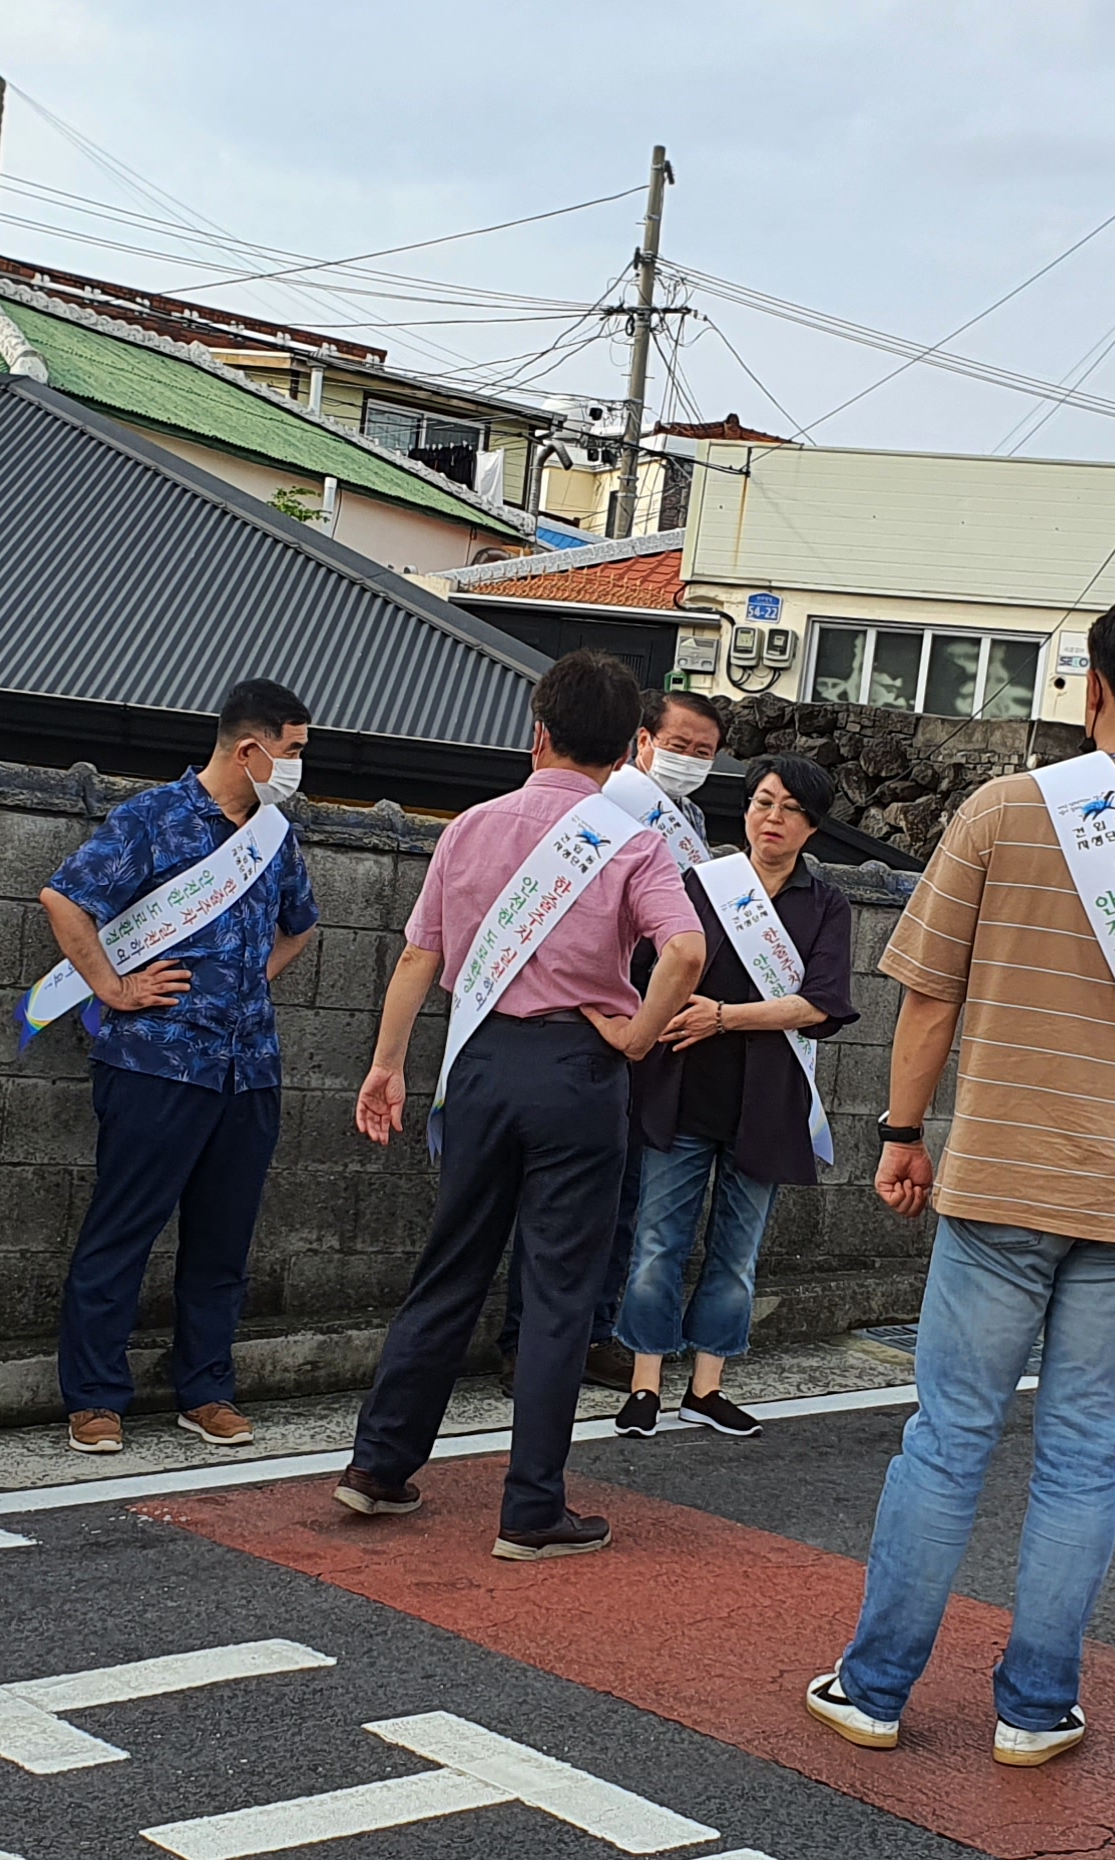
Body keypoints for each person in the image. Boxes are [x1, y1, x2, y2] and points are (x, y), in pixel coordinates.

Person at [803, 590, 1115, 1766]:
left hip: (999, 1183)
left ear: (1092, 686)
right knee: (1083, 1458)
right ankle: (1035, 1709)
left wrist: (901, 1132)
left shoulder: (1005, 812)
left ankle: (875, 1689)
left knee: (948, 1440)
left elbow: (930, 994)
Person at [341, 650, 708, 1561]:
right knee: (557, 1293)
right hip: (578, 1071)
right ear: (630, 749)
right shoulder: (632, 841)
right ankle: (531, 1509)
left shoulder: (468, 826)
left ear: (535, 732)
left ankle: (378, 1468)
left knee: (450, 1266)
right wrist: (633, 1036)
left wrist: (387, 1066)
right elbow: (688, 953)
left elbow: (421, 957)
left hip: (479, 1061)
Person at [35, 680, 321, 1457]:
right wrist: (112, 987)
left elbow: (301, 924)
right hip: (156, 1063)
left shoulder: (274, 836)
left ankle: (206, 1390)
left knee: (223, 1245)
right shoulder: (151, 820)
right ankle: (94, 1398)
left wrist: (251, 981)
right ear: (248, 749)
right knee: (122, 1232)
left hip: (248, 1069)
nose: (298, 766)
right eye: (292, 751)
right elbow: (65, 898)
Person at [614, 753, 861, 1442]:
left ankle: (707, 1387)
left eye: (787, 808)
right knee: (657, 1241)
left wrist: (722, 1016)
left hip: (768, 1100)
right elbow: (644, 968)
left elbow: (822, 1004)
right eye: (761, 802)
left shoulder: (827, 905)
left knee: (737, 1252)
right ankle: (643, 1385)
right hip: (683, 1090)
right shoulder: (700, 885)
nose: (770, 818)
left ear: (811, 825)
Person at [505, 686, 725, 1393]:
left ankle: (596, 1331)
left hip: (655, 1022)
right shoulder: (600, 808)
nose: (688, 761)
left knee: (624, 1189)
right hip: (589, 1014)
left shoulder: (689, 821)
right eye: (679, 745)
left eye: (704, 752)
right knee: (553, 1197)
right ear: (642, 741)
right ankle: (522, 1343)